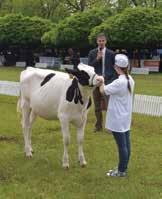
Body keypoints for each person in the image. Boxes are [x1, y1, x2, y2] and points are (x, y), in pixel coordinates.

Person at [97, 54, 135, 177]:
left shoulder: (119, 82)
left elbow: (103, 90)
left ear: (117, 67)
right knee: (126, 144)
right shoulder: (130, 79)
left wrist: (101, 81)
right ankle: (123, 167)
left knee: (122, 146)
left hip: (118, 118)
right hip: (125, 117)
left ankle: (121, 171)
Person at [88, 33, 117, 132]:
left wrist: (112, 80)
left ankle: (110, 127)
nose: (101, 43)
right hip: (96, 82)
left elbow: (115, 69)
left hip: (108, 83)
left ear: (106, 41)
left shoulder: (111, 53)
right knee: (97, 106)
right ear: (97, 42)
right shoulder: (92, 53)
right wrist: (97, 59)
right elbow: (90, 67)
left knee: (110, 106)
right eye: (99, 41)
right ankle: (98, 126)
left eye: (103, 41)